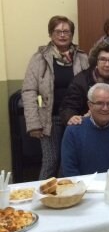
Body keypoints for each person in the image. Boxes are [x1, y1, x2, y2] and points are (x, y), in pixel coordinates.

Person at [22, 16, 89, 179]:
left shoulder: (82, 57)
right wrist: (33, 124)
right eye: (57, 31)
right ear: (51, 34)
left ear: (72, 34)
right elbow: (29, 91)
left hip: (76, 117)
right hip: (49, 119)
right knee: (51, 160)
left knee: (70, 160)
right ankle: (42, 196)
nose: (62, 35)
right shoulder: (39, 58)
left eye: (66, 31)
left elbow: (90, 86)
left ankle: (65, 196)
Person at [61, 83, 109, 177]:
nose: (105, 108)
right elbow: (69, 170)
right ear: (90, 105)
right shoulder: (73, 131)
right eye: (99, 103)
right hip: (82, 188)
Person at [60, 40, 109, 126]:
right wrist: (71, 117)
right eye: (103, 59)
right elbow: (68, 106)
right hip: (86, 128)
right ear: (96, 62)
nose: (107, 64)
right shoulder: (81, 80)